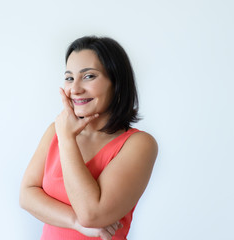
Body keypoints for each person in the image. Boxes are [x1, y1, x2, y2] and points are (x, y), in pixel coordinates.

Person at [19, 36, 158, 240]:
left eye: (89, 76)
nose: (75, 89)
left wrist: (67, 139)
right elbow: (26, 195)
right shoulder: (55, 131)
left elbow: (92, 214)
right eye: (69, 78)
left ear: (116, 83)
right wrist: (75, 222)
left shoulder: (139, 144)